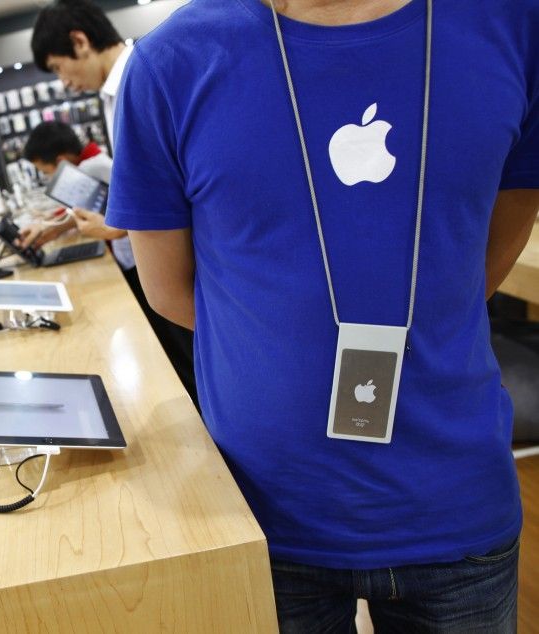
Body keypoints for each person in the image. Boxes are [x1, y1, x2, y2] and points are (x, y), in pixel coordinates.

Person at [106, 0, 539, 630]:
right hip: (261, 513)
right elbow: (170, 289)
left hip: (455, 501)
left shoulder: (511, 23)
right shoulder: (171, 63)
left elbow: (492, 244)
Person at [30, 0, 198, 407]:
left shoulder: (141, 79)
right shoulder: (113, 95)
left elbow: (161, 195)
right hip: (158, 269)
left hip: (178, 272)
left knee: (194, 370)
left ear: (80, 41)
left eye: (57, 66)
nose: (63, 82)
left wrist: (111, 226)